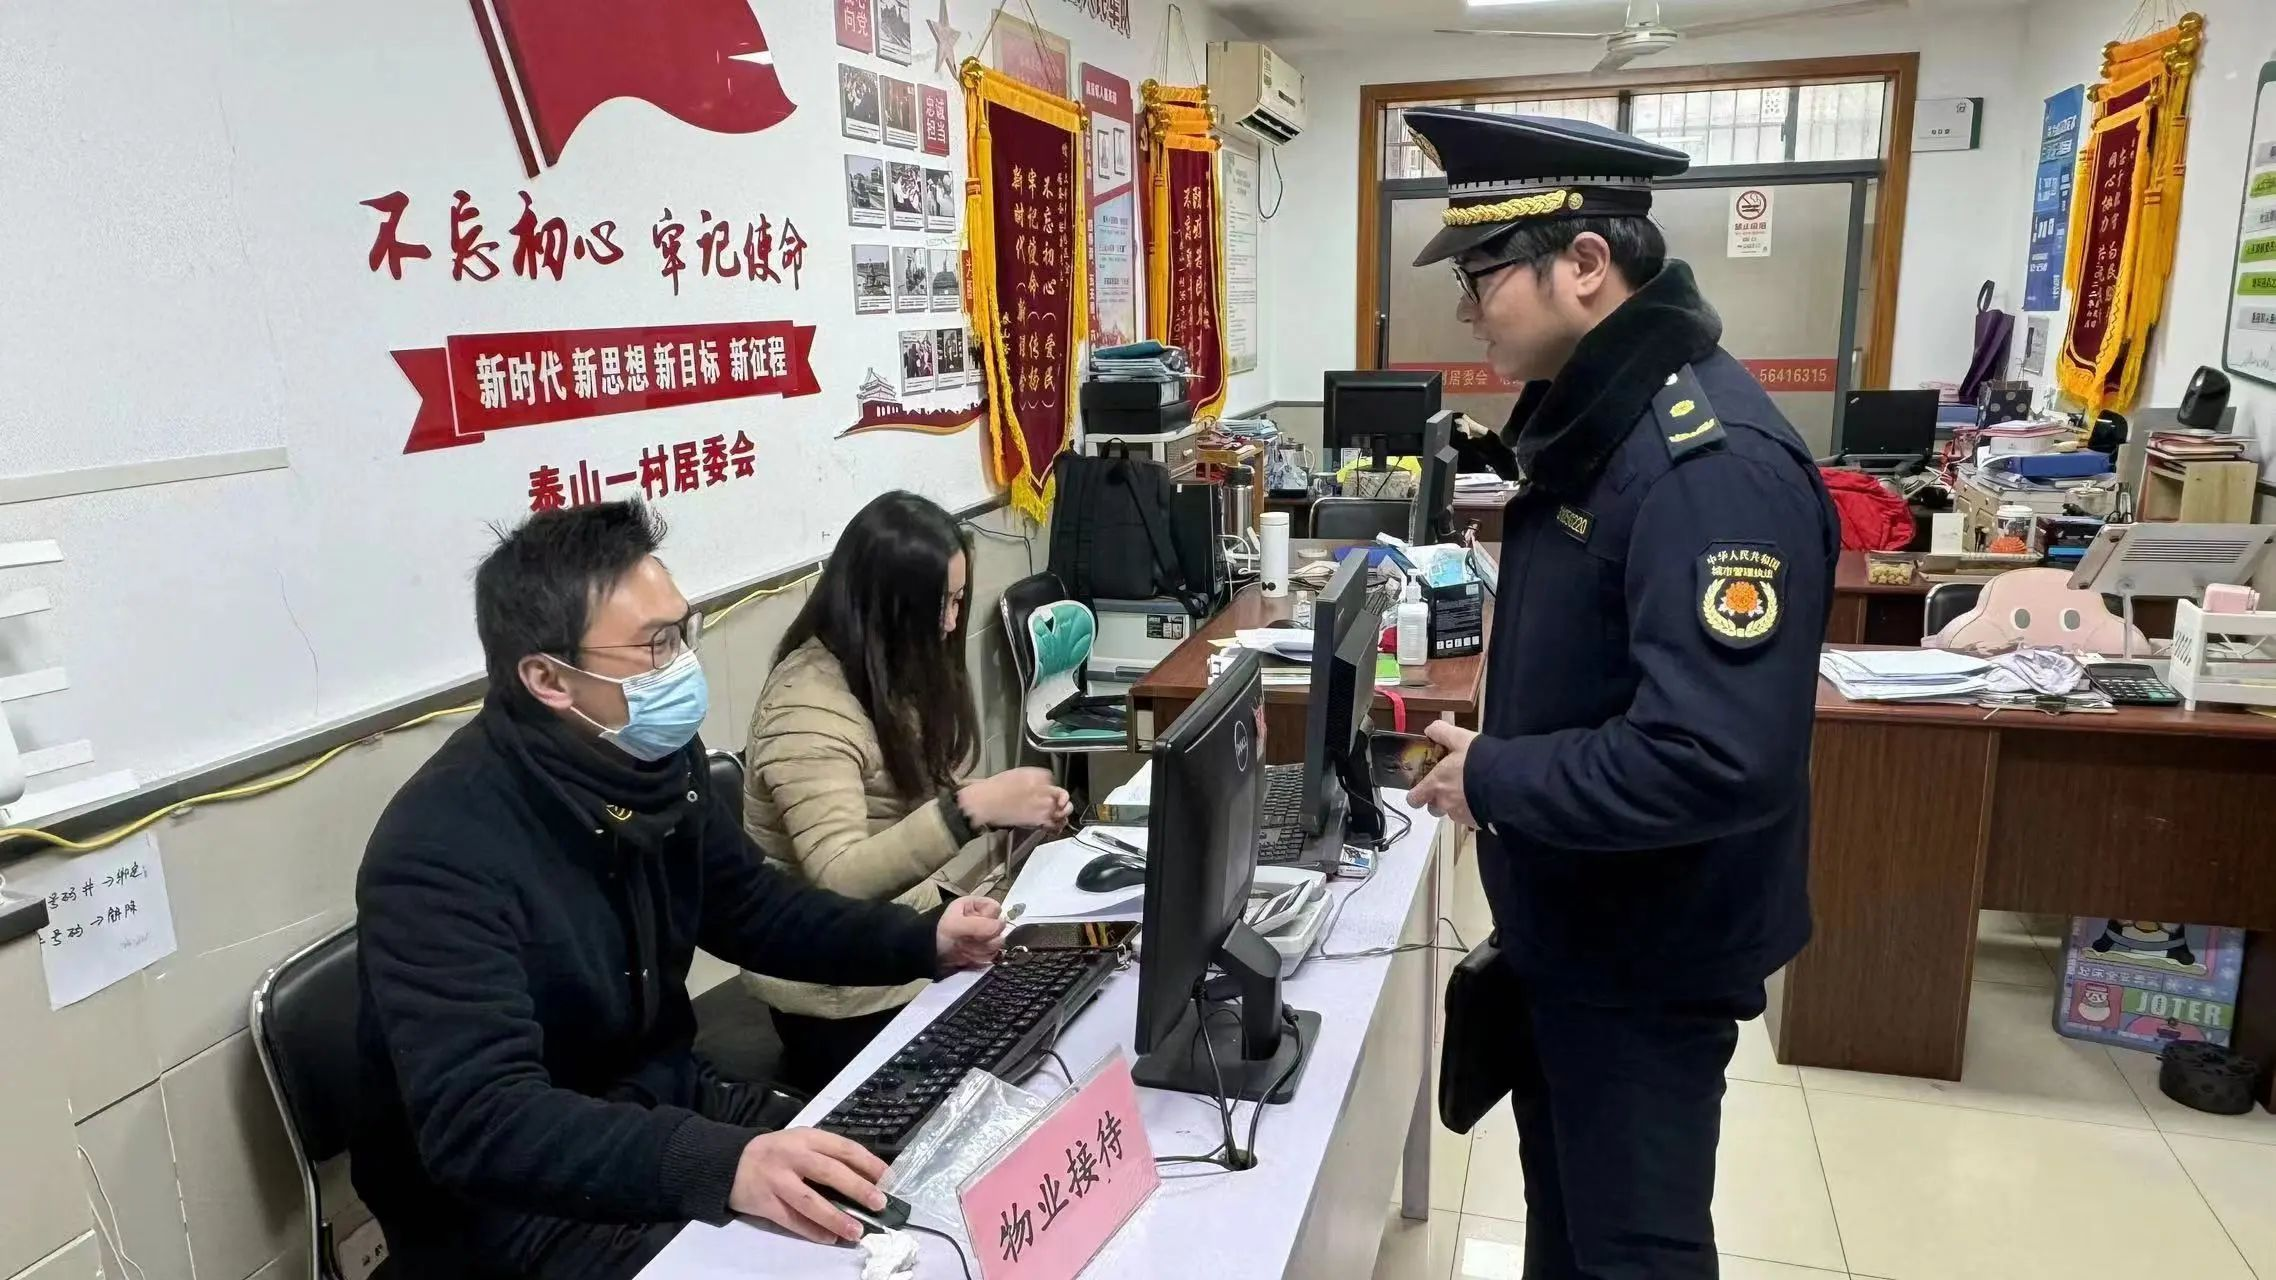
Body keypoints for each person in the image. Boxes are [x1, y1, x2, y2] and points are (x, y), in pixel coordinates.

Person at [1399, 109, 1840, 1280]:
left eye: (1482, 275)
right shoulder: (1604, 423)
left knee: (1631, 1250)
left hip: (1644, 954)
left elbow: (1711, 754)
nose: (1467, 309)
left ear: (1585, 264)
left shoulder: (1706, 465)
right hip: (1577, 930)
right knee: (1569, 1229)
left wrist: (1496, 774)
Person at [353, 501, 1009, 1280]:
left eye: (682, 632)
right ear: (548, 678)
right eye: (655, 645)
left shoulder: (653, 765)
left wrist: (921, 941)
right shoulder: (439, 849)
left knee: (909, 1187)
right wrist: (721, 1165)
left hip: (660, 1102)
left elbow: (751, 908)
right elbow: (484, 1121)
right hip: (512, 1206)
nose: (682, 665)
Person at [743, 491, 1070, 1093]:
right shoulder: (806, 710)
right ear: (885, 604)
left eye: (957, 601)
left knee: (1056, 1010)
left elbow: (901, 801)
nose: (951, 623)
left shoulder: (879, 667)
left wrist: (1005, 801)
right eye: (939, 604)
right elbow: (839, 876)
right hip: (838, 994)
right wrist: (972, 808)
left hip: (901, 943)